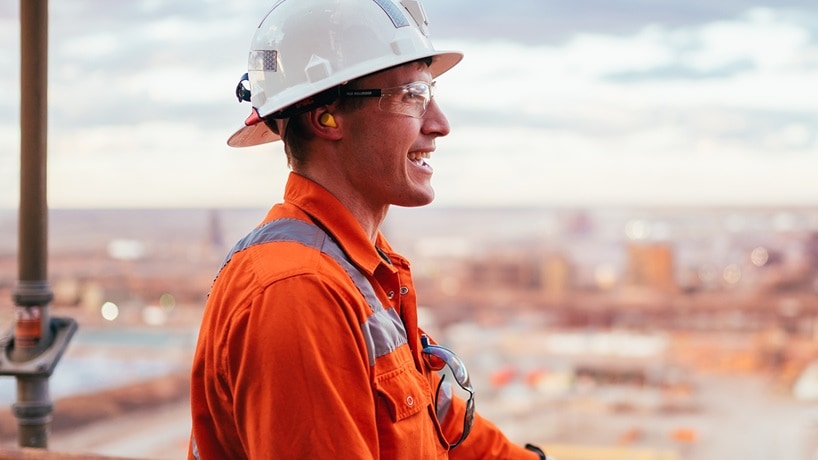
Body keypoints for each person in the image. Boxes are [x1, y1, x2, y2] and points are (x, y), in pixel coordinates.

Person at [189, 0, 552, 458]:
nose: (440, 125)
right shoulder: (298, 292)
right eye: (411, 96)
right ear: (326, 117)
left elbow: (446, 430)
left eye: (429, 93)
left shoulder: (363, 273)